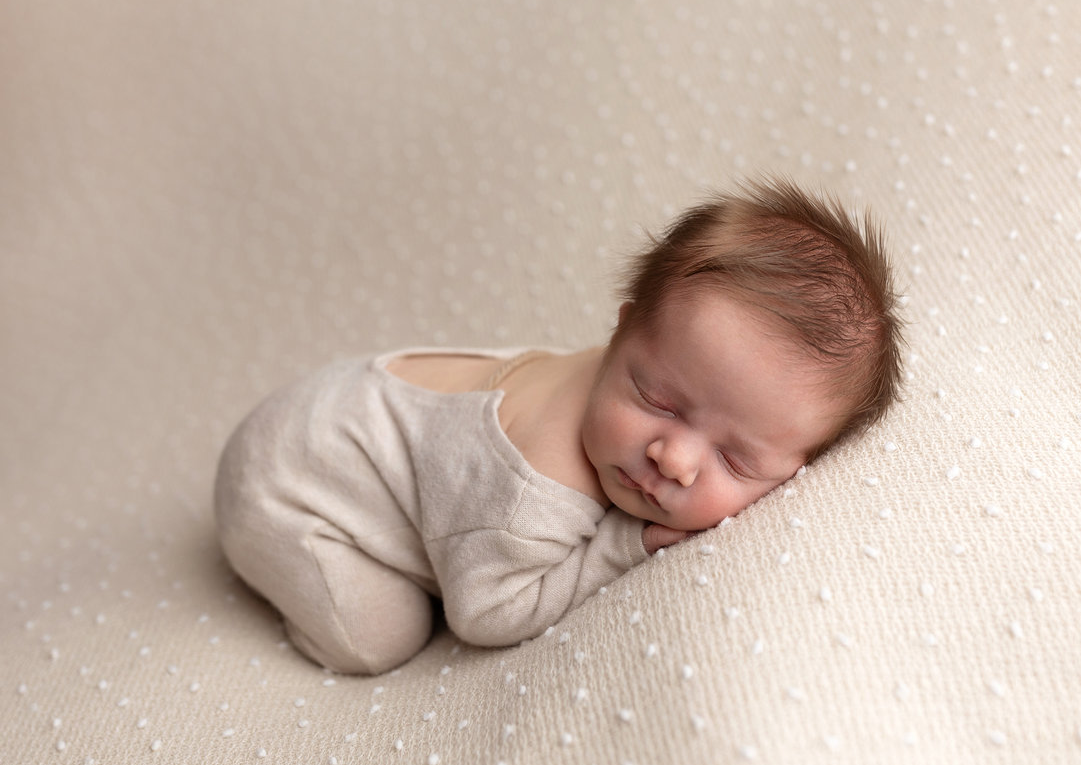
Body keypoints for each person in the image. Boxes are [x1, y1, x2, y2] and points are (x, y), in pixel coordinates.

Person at [214, 176, 904, 675]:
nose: (674, 458)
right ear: (622, 324)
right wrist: (619, 546)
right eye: (658, 400)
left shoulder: (634, 378)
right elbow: (484, 616)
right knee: (380, 640)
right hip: (284, 484)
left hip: (335, 407)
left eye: (735, 458)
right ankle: (288, 574)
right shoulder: (536, 485)